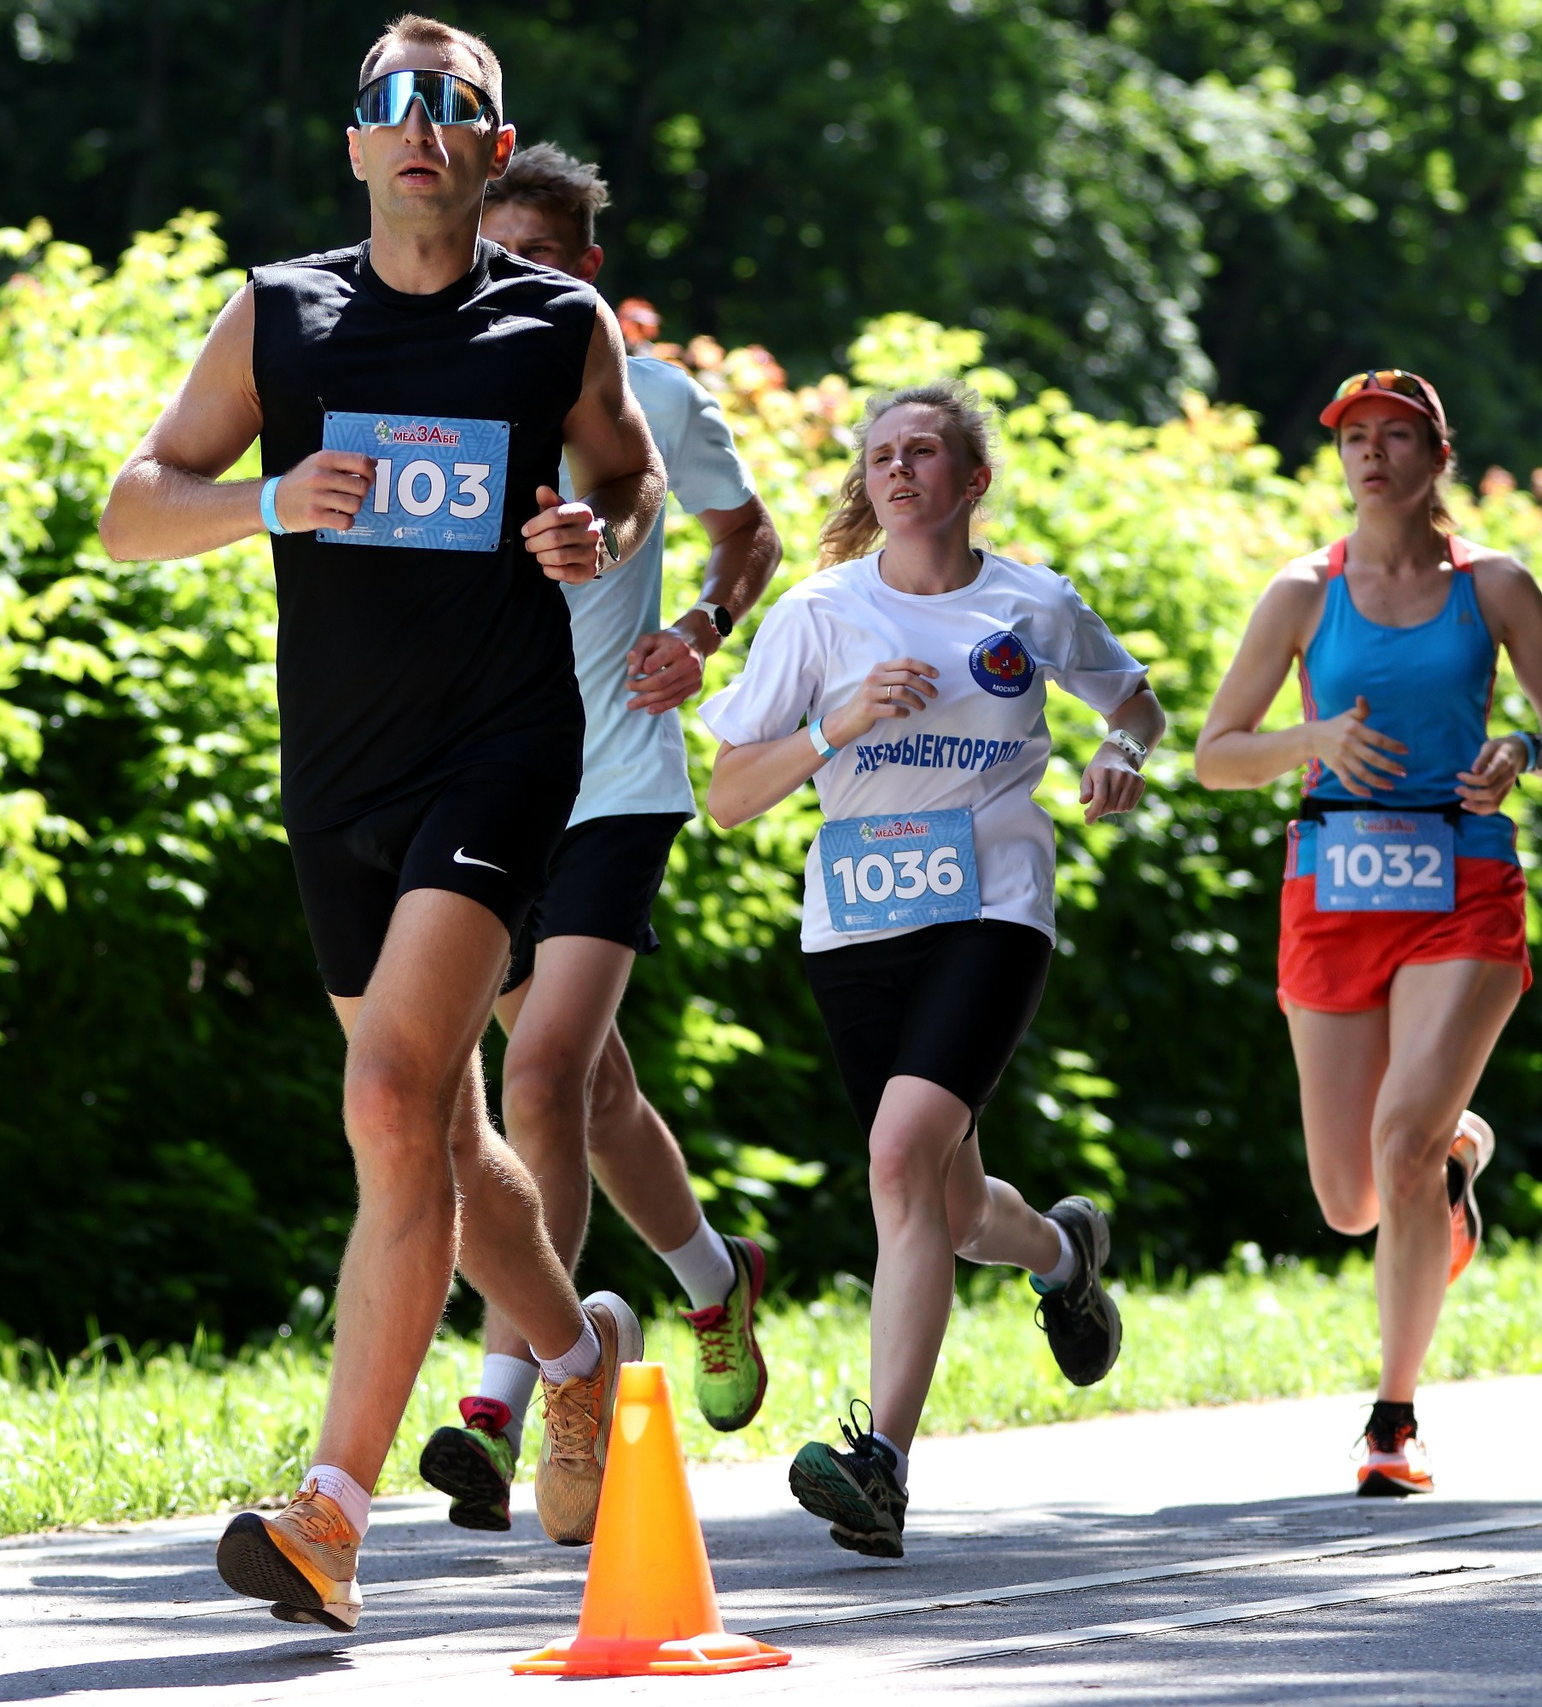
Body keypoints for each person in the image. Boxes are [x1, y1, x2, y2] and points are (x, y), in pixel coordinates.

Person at [95, 17, 666, 1630]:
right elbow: (132, 507)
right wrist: (267, 499)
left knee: (391, 1086)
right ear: (354, 145)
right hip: (335, 774)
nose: (424, 127)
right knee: (448, 1133)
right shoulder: (281, 313)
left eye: (457, 105)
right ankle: (573, 1353)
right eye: (394, 106)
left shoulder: (552, 323)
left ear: (494, 146)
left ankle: (330, 1513)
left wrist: (587, 528)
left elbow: (627, 482)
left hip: (497, 753)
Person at [697, 381, 1164, 1559]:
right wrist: (836, 725)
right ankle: (1063, 1255)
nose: (898, 472)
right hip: (856, 927)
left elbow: (1137, 706)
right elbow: (728, 801)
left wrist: (1117, 753)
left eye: (922, 452)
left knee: (897, 1158)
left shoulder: (1030, 604)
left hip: (993, 910)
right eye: (881, 457)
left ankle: (881, 1466)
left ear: (972, 481)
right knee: (948, 1210)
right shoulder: (815, 616)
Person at [414, 144, 785, 1533]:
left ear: (588, 274)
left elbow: (744, 535)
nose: (511, 284)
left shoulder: (658, 396)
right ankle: (710, 1276)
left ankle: (507, 1397)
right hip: (478, 784)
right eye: (491, 258)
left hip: (616, 778)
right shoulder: (443, 389)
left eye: (539, 264)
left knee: (547, 1070)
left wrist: (697, 628)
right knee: (596, 1092)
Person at [1192, 369, 1542, 1497]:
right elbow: (1216, 754)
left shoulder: (1496, 586)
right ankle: (1459, 1160)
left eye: (1394, 436)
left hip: (1462, 883)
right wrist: (1306, 737)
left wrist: (1523, 748)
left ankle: (1392, 1419)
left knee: (1399, 1141)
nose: (1370, 455)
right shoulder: (1302, 594)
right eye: (1352, 438)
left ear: (1436, 458)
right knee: (1350, 1198)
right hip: (1333, 883)